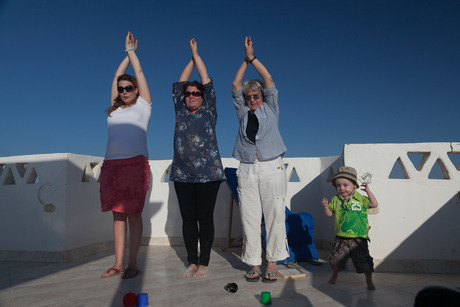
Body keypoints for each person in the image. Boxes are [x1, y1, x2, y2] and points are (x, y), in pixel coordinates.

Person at [232, 36, 289, 283]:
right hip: (247, 167)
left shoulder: (271, 107)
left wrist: (252, 57)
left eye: (256, 96)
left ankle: (272, 262)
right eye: (249, 97)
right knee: (249, 217)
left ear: (262, 97)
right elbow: (235, 83)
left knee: (275, 214)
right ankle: (255, 263)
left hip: (271, 166)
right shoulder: (242, 111)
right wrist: (243, 61)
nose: (252, 99)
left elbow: (268, 80)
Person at [171, 38, 225, 278]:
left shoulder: (209, 109)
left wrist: (196, 54)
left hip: (209, 174)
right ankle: (191, 261)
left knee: (205, 218)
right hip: (182, 173)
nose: (191, 95)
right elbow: (180, 82)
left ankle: (204, 262)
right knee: (188, 220)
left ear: (203, 97)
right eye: (188, 94)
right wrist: (189, 60)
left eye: (196, 93)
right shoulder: (181, 109)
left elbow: (206, 80)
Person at [100, 32, 152, 279]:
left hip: (135, 164)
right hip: (112, 165)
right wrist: (123, 56)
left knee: (133, 214)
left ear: (136, 90)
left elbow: (139, 73)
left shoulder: (143, 105)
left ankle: (132, 264)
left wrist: (131, 51)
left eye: (128, 88)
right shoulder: (113, 109)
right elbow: (115, 77)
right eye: (121, 89)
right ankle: (118, 263)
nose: (124, 91)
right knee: (117, 214)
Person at [321, 166, 379, 290]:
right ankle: (334, 276)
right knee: (336, 260)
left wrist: (368, 191)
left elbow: (374, 204)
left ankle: (369, 281)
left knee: (365, 262)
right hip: (341, 238)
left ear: (354, 186)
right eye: (338, 186)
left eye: (345, 185)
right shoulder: (336, 199)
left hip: (359, 239)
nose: (341, 188)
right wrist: (326, 206)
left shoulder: (361, 199)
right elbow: (329, 214)